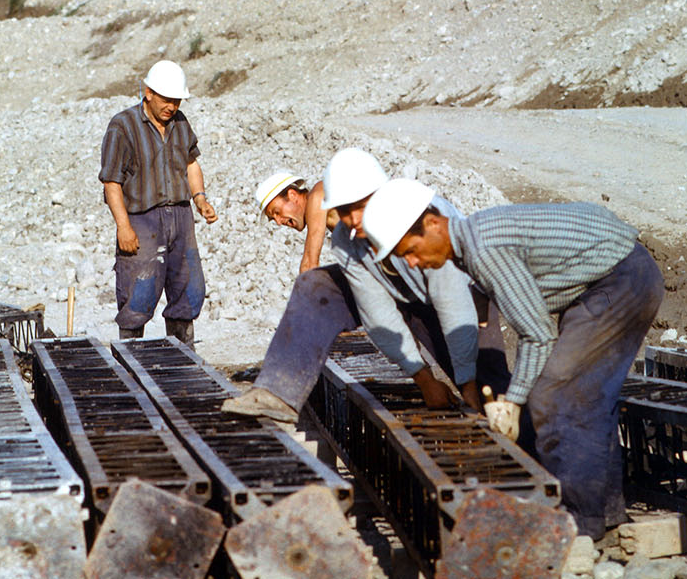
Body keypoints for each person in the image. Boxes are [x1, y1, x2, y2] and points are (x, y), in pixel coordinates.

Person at [362, 183, 664, 541]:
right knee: (587, 397)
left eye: (410, 251)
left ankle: (578, 523)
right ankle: (605, 515)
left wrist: (513, 402)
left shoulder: (483, 250)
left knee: (554, 397)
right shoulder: (473, 242)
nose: (412, 263)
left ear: (433, 224)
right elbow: (530, 325)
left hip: (621, 281)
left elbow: (537, 335)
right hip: (617, 275)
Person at [222, 148, 509, 423]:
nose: (353, 219)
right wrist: (424, 379)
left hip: (465, 297)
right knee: (315, 285)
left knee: (495, 398)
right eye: (344, 211)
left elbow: (453, 302)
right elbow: (377, 311)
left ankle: (533, 453)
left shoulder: (418, 216)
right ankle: (278, 392)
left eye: (360, 206)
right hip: (404, 294)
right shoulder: (347, 240)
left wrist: (467, 382)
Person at [98, 59, 217, 345]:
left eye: (176, 101)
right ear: (148, 92)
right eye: (167, 99)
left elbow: (191, 164)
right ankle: (131, 358)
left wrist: (200, 198)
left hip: (181, 217)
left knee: (188, 291)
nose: (172, 107)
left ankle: (182, 356)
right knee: (138, 295)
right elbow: (111, 182)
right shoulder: (122, 126)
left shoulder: (180, 123)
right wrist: (123, 227)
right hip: (142, 220)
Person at [255, 170, 336, 272]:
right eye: (273, 219)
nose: (279, 222)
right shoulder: (323, 202)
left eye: (277, 212)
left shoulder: (316, 198)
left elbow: (309, 265)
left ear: (292, 195)